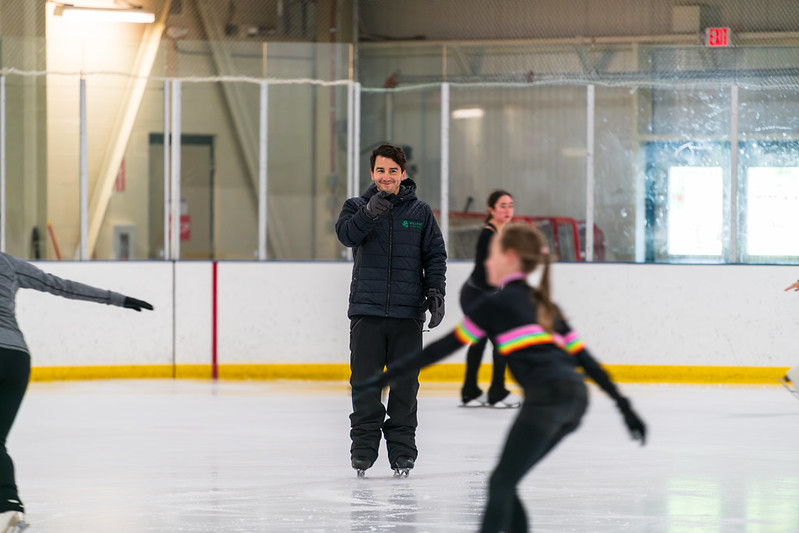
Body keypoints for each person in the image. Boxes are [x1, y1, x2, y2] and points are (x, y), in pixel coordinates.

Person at [354, 223, 646, 531]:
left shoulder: (492, 305)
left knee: (502, 483)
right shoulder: (544, 304)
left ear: (510, 258)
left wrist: (384, 379)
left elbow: (438, 350)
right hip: (574, 400)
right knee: (507, 481)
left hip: (546, 401)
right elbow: (585, 360)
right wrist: (623, 406)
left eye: (491, 256)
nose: (486, 264)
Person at [0, 253, 153, 532]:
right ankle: (9, 506)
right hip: (16, 359)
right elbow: (61, 285)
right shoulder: (8, 264)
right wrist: (118, 298)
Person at [336, 143, 447, 478]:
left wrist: (435, 291)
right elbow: (346, 236)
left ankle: (402, 453)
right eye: (380, 170)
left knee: (404, 387)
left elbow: (435, 255)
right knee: (366, 386)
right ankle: (363, 451)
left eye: (393, 171)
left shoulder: (421, 213)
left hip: (406, 315)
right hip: (367, 312)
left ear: (403, 174)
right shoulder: (356, 206)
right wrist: (371, 211)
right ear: (372, 173)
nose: (386, 176)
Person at [461, 190, 519, 408]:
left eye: (510, 205)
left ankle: (470, 391)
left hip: (481, 295)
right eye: (502, 205)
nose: (507, 210)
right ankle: (496, 392)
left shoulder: (501, 234)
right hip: (478, 296)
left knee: (480, 341)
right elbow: (488, 271)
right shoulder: (489, 234)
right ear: (491, 210)